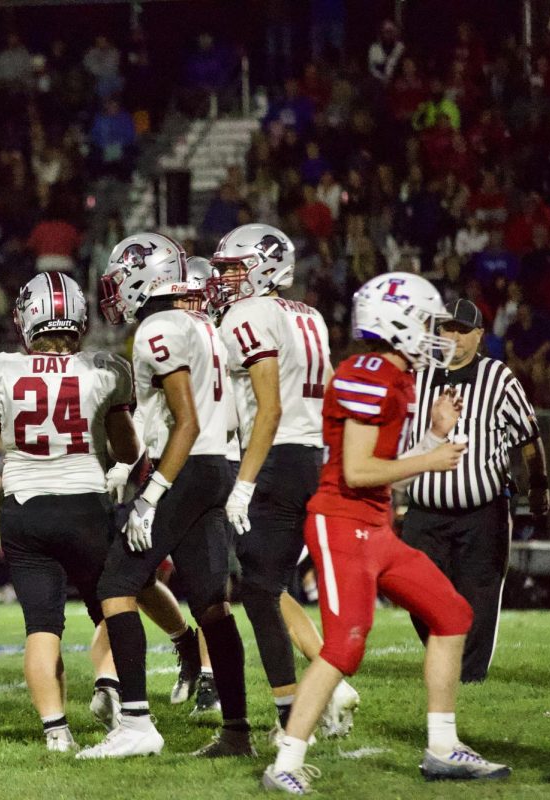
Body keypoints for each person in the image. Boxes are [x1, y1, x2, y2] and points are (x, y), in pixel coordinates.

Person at [263, 272, 511, 793]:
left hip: (374, 527)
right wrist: (432, 457)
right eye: (424, 321)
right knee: (345, 646)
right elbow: (357, 470)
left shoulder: (396, 375)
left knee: (452, 613)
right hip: (341, 524)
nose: (433, 333)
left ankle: (443, 748)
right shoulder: (369, 373)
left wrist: (433, 433)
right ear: (394, 323)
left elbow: (382, 458)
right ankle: (286, 760)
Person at [78, 233, 250, 760]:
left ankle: (135, 723)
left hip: (191, 467)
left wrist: (151, 494)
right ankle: (237, 733)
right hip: (218, 465)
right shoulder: (201, 322)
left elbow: (187, 422)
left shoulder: (159, 326)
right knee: (213, 605)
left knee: (116, 584)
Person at [0, 272, 139, 752]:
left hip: (25, 505)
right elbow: (128, 449)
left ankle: (55, 731)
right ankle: (108, 686)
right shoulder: (104, 368)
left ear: (26, 319)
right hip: (85, 502)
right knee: (110, 608)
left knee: (42, 626)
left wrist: (6, 497)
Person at [208, 223, 360, 742]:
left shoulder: (249, 314)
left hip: (271, 456)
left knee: (259, 591)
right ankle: (326, 688)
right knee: (272, 588)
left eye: (234, 267)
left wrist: (245, 482)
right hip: (313, 456)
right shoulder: (309, 314)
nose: (225, 277)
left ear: (266, 265)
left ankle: (293, 716)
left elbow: (268, 409)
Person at [401, 298, 547, 683]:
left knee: (479, 597)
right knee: (415, 591)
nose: (453, 336)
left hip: (482, 511)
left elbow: (528, 437)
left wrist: (539, 487)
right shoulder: (417, 377)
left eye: (462, 330)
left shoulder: (498, 378)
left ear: (479, 335)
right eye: (446, 328)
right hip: (424, 510)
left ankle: (468, 678)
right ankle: (446, 653)